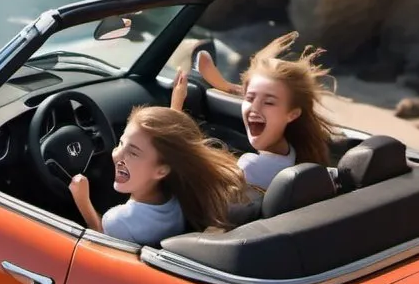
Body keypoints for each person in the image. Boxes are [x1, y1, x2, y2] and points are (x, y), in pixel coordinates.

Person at [170, 31, 338, 190]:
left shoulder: (250, 168)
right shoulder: (294, 154)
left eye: (269, 102)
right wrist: (226, 86)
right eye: (250, 98)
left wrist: (175, 108)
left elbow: (177, 162)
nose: (255, 108)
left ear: (292, 114)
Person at [68, 105, 247, 246]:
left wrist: (82, 199)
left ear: (161, 170)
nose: (117, 155)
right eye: (121, 143)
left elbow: (99, 235)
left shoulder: (119, 220)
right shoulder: (178, 195)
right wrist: (175, 106)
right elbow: (169, 144)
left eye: (133, 152)